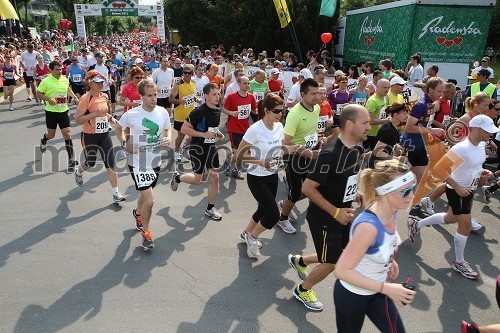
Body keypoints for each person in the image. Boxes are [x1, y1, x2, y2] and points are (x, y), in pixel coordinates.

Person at [288, 104, 371, 311]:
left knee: (342, 251)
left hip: (343, 214)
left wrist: (354, 193)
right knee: (332, 262)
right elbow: (307, 188)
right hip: (325, 218)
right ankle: (303, 289)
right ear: (350, 124)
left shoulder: (355, 149)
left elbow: (341, 177)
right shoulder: (330, 153)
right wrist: (335, 211)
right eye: (365, 123)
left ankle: (301, 261)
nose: (369, 126)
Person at [407, 115, 499, 279]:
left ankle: (417, 224)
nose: (490, 134)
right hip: (457, 190)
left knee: (450, 218)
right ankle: (459, 262)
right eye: (487, 131)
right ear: (475, 129)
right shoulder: (460, 148)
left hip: (469, 190)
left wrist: (483, 173)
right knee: (465, 226)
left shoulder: (482, 144)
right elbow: (438, 170)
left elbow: (474, 166)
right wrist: (457, 187)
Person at [334, 159, 417, 333]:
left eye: (413, 188)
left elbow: (381, 245)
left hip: (377, 290)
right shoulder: (368, 227)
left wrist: (389, 261)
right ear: (385, 192)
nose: (411, 196)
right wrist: (387, 288)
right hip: (352, 295)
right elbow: (341, 271)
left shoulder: (391, 211)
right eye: (406, 191)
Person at [234, 93, 293, 257]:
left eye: (283, 111)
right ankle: (252, 237)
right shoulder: (255, 130)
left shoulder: (279, 127)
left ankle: (245, 233)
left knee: (262, 209)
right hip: (256, 177)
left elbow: (281, 147)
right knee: (273, 215)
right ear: (266, 110)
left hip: (272, 175)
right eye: (277, 111)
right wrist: (261, 162)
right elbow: (239, 154)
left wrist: (298, 149)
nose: (280, 114)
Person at [116, 79, 172, 249]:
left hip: (155, 160)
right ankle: (146, 234)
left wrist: (168, 137)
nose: (154, 99)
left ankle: (138, 213)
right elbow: (119, 129)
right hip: (138, 162)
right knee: (150, 200)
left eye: (155, 95)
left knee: (146, 193)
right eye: (149, 96)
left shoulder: (162, 112)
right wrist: (125, 142)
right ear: (141, 96)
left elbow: (168, 129)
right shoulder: (131, 114)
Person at [170, 83, 224, 220]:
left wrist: (218, 135)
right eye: (214, 94)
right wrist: (203, 135)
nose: (218, 96)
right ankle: (177, 178)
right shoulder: (198, 111)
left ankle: (210, 208)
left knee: (214, 177)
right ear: (205, 96)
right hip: (198, 148)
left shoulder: (217, 110)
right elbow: (184, 129)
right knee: (198, 179)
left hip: (211, 147)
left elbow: (211, 128)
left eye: (218, 94)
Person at [73, 70, 125, 203]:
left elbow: (104, 113)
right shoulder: (85, 99)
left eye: (102, 82)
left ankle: (115, 193)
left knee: (111, 165)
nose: (100, 85)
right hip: (89, 135)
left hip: (104, 135)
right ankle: (79, 172)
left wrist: (111, 119)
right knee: (90, 162)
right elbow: (77, 119)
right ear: (90, 83)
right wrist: (95, 113)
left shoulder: (105, 96)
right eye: (97, 83)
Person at [401, 77, 446, 183]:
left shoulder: (430, 103)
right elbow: (409, 127)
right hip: (411, 146)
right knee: (401, 181)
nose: (441, 94)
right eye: (439, 91)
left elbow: (423, 124)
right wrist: (431, 131)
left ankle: (417, 199)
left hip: (420, 145)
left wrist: (432, 129)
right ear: (430, 89)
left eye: (442, 91)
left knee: (421, 179)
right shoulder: (421, 105)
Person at [37, 60, 79, 170]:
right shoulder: (46, 81)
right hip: (51, 112)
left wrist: (74, 97)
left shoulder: (65, 79)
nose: (60, 71)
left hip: (63, 111)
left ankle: (71, 159)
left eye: (61, 69)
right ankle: (44, 139)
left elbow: (68, 89)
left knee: (67, 134)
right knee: (51, 135)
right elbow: (38, 93)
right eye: (57, 70)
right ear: (50, 70)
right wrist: (48, 99)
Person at [222, 75, 257, 179]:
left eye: (248, 83)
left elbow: (254, 111)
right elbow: (224, 109)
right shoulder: (232, 97)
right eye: (245, 83)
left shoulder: (251, 97)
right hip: (234, 128)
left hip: (245, 129)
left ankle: (228, 161)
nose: (247, 85)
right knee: (240, 153)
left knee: (241, 152)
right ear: (239, 84)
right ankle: (236, 170)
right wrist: (231, 113)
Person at [169, 64, 197, 162]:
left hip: (192, 114)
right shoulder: (178, 84)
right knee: (181, 135)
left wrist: (196, 99)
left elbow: (192, 95)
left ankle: (186, 149)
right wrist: (179, 101)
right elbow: (171, 99)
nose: (186, 75)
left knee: (195, 135)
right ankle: (176, 151)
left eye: (189, 73)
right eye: (185, 73)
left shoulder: (193, 83)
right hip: (180, 115)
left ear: (192, 74)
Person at [370, 102, 408, 166]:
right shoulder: (388, 130)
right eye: (404, 113)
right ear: (396, 115)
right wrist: (396, 159)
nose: (407, 116)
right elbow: (378, 152)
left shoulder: (393, 127)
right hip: (377, 168)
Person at [364, 79, 390, 150]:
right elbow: (370, 121)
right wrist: (385, 121)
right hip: (370, 135)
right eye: (385, 87)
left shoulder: (384, 99)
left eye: (388, 87)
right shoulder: (373, 101)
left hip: (379, 133)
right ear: (378, 87)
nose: (387, 89)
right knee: (365, 157)